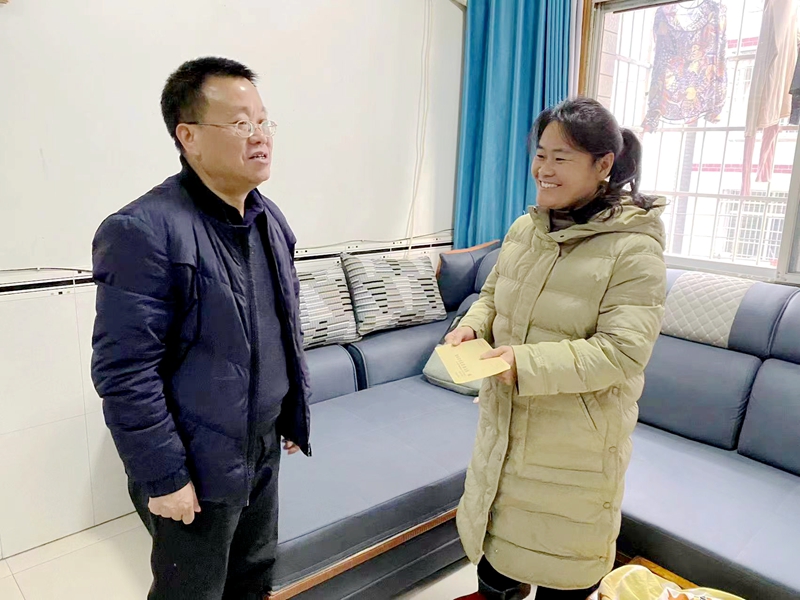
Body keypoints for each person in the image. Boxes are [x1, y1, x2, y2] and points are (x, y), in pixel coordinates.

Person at [91, 57, 311, 600]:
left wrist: (288, 413)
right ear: (187, 136)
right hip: (196, 462)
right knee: (191, 591)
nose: (259, 135)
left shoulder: (270, 218)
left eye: (263, 120)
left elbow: (281, 329)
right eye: (239, 123)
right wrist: (164, 477)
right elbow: (125, 372)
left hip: (260, 451)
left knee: (253, 578)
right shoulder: (143, 230)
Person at [448, 98, 667, 600]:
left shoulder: (633, 247)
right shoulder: (525, 230)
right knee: (494, 561)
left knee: (562, 570)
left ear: (603, 164)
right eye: (540, 154)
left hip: (573, 449)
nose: (543, 170)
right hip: (504, 429)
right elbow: (491, 297)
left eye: (561, 158)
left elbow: (622, 352)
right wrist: (472, 328)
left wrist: (521, 363)